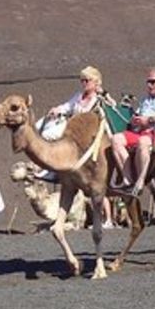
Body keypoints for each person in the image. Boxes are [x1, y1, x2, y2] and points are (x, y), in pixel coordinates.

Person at [44, 66, 116, 226]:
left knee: (98, 185)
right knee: (48, 132)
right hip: (75, 132)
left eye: (87, 80)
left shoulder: (100, 98)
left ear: (96, 81)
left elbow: (112, 109)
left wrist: (104, 96)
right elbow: (67, 106)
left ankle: (109, 218)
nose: (84, 83)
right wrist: (57, 110)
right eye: (82, 80)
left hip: (93, 135)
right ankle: (51, 169)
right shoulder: (78, 96)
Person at [110, 67, 155, 196]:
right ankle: (128, 180)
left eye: (153, 81)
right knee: (116, 139)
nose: (149, 85)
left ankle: (140, 181)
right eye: (148, 82)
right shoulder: (145, 99)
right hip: (142, 131)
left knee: (143, 141)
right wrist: (135, 120)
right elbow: (139, 115)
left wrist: (150, 120)